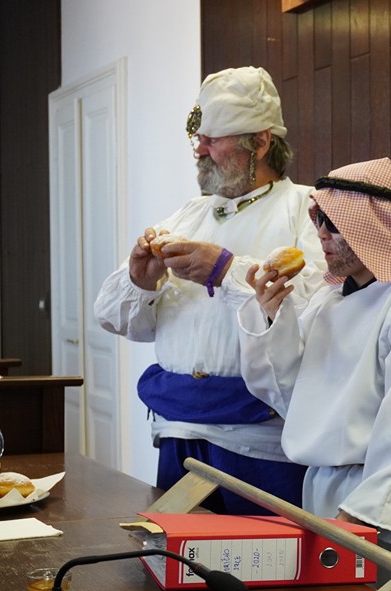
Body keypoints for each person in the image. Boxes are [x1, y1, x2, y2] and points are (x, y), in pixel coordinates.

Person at [235, 157, 391, 591]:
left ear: (376, 227)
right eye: (318, 220)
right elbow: (292, 398)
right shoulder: (328, 300)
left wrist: (364, 516)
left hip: (384, 505)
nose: (321, 234)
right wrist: (272, 316)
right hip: (323, 490)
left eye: (335, 222)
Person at [94, 66, 326, 515]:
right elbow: (113, 317)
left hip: (262, 446)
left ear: (260, 142)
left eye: (213, 139)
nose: (199, 150)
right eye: (197, 138)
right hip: (179, 435)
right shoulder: (188, 215)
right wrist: (140, 279)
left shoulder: (307, 209)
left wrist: (224, 270)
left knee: (263, 559)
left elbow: (318, 307)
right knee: (176, 555)